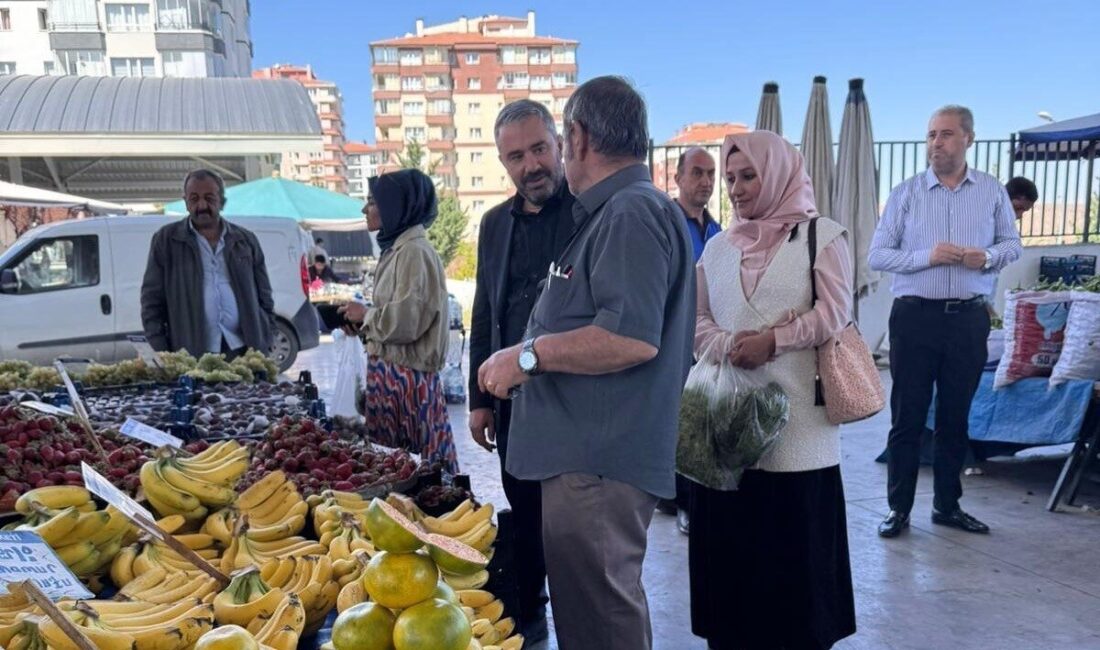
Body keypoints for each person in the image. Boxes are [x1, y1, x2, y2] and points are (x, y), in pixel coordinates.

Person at [477, 76, 695, 650]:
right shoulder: (616, 211)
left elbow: (630, 338)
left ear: (574, 136)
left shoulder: (629, 213)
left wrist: (527, 355)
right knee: (589, 613)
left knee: (600, 619)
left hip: (598, 462)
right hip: (587, 458)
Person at [690, 130, 857, 650]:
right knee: (733, 588)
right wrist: (725, 342)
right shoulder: (716, 248)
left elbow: (836, 313)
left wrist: (775, 341)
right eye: (732, 178)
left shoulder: (821, 236)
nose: (737, 189)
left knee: (796, 587)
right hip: (728, 433)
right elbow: (696, 321)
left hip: (799, 440)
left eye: (749, 176)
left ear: (779, 173)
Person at [869, 105, 1022, 538]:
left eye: (947, 134)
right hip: (915, 318)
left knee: (956, 417)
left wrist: (987, 256)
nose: (937, 143)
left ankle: (947, 506)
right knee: (908, 417)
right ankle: (898, 509)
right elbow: (877, 255)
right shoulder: (906, 193)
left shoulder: (991, 192)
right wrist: (926, 257)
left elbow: (1013, 244)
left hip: (967, 321)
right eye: (932, 134)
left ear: (969, 138)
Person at [467, 99, 574, 643]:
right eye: (516, 156)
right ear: (503, 163)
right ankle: (530, 618)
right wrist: (478, 400)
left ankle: (576, 615)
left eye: (538, 149)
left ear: (559, 144)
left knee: (574, 532)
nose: (530, 165)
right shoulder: (492, 225)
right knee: (524, 514)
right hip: (513, 407)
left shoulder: (588, 213)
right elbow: (485, 310)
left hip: (574, 404)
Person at [339, 169, 459, 474]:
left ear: (396, 207)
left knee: (415, 478)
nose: (364, 209)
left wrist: (365, 315)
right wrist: (364, 324)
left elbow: (406, 322)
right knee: (395, 473)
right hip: (395, 381)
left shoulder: (414, 253)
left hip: (408, 386)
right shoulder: (398, 250)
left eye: (372, 202)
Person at [141, 169, 274, 360]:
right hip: (191, 355)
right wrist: (162, 351)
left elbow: (265, 297)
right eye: (194, 198)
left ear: (222, 201)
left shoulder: (245, 240)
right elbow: (151, 302)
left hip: (244, 351)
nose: (202, 205)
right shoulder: (166, 241)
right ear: (185, 202)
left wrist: (265, 336)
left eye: (209, 198)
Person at [659, 146, 723, 535]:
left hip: (706, 341)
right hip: (671, 339)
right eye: (697, 173)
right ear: (678, 178)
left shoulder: (717, 231)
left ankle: (690, 496)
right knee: (679, 422)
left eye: (711, 174)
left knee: (700, 420)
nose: (706, 182)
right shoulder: (665, 222)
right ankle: (681, 500)